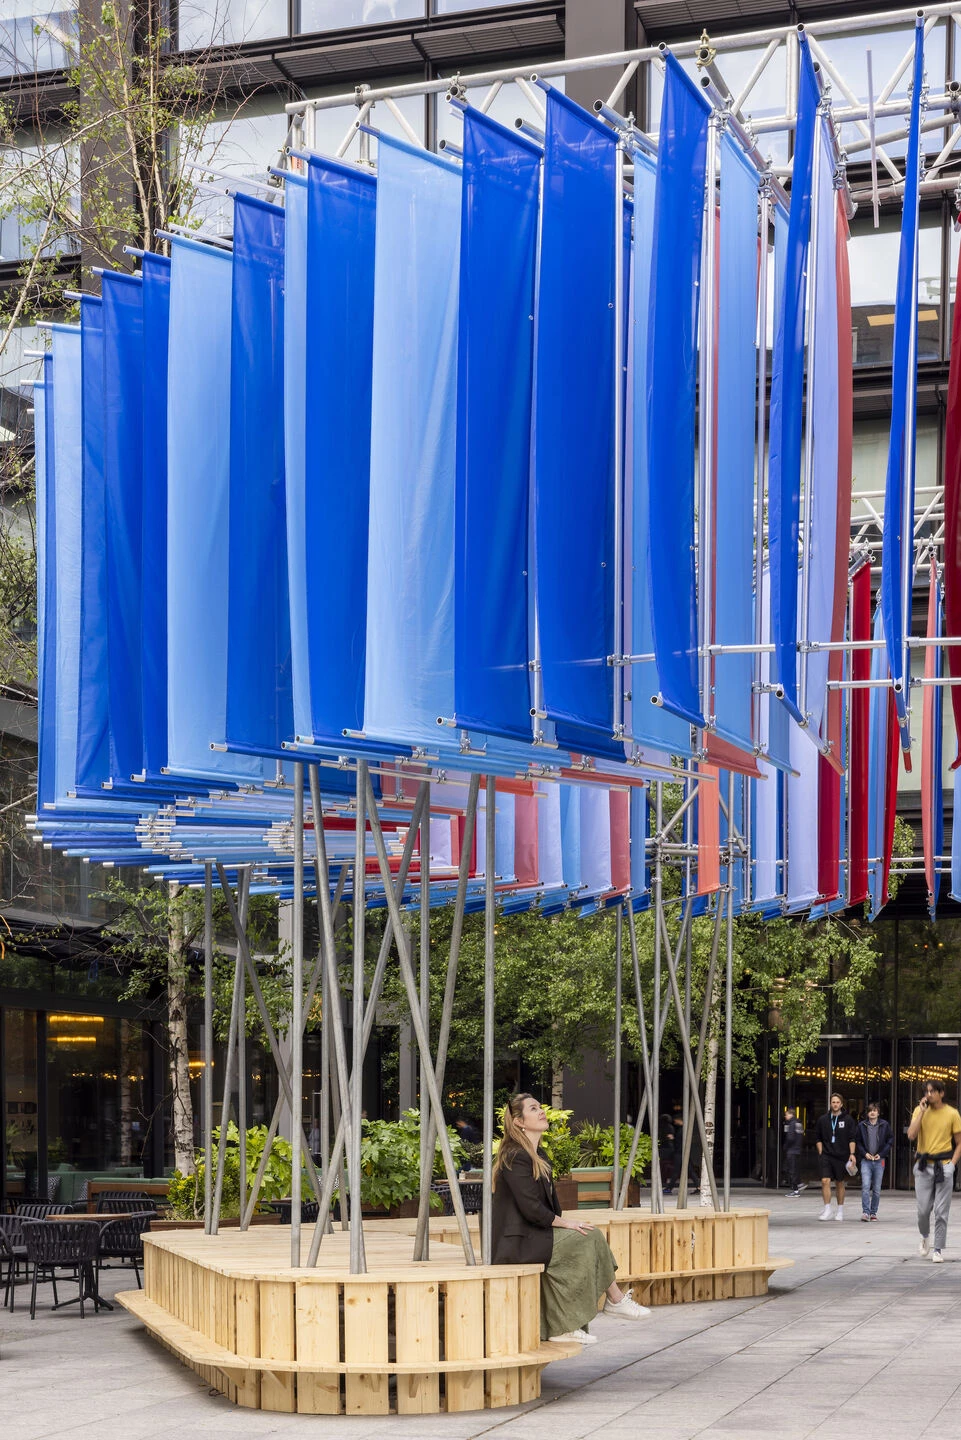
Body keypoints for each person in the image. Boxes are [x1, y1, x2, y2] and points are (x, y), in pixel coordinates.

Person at [492, 1093, 650, 1344]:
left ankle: (587, 1314)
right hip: (517, 1243)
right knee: (587, 1236)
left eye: (540, 1107)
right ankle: (613, 1301)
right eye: (534, 1109)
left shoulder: (538, 1155)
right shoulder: (515, 1156)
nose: (542, 1111)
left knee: (586, 1236)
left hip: (533, 1234)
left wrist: (566, 1223)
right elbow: (531, 1208)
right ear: (520, 1121)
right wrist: (567, 1224)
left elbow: (548, 1205)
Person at [906, 1078, 961, 1262]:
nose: (929, 1094)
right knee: (923, 1210)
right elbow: (911, 1135)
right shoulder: (919, 1111)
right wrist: (921, 1113)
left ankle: (938, 1249)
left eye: (932, 1091)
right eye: (926, 1091)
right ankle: (924, 1235)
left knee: (941, 1211)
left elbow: (959, 1143)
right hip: (923, 1165)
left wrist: (952, 1165)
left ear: (941, 1093)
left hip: (943, 1164)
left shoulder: (952, 1114)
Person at [814, 1092, 857, 1221]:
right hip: (826, 1154)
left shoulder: (848, 1119)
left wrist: (852, 1154)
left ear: (841, 1104)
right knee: (825, 1181)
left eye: (838, 1102)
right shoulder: (823, 1119)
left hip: (841, 1156)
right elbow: (818, 1138)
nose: (835, 1104)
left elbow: (852, 1138)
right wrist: (821, 1152)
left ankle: (840, 1210)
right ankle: (827, 1209)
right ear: (830, 1103)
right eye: (833, 1102)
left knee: (839, 1183)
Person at [855, 1101, 892, 1222]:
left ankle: (873, 1212)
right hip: (866, 1160)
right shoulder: (862, 1125)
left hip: (879, 1160)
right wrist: (864, 1153)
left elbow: (890, 1140)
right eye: (870, 1110)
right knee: (865, 1186)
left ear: (878, 1113)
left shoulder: (884, 1125)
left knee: (876, 1188)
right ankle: (865, 1212)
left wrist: (881, 1154)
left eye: (874, 1110)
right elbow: (858, 1142)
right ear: (867, 1113)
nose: (872, 1112)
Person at [782, 1107, 806, 1197]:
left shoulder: (792, 1123)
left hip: (791, 1150)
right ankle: (799, 1184)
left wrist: (785, 1146)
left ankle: (795, 1190)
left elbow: (790, 1137)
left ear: (791, 1114)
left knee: (791, 1170)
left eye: (787, 1114)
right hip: (797, 1150)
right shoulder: (799, 1123)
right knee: (795, 1169)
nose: (785, 1116)